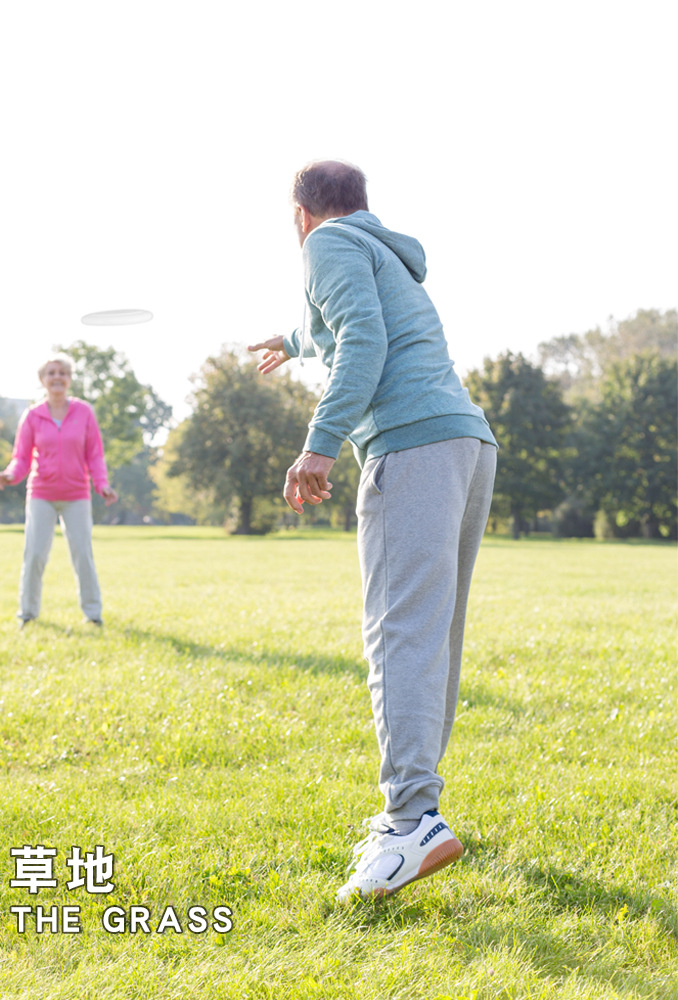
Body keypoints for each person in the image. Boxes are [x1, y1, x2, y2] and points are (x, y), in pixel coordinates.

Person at [249, 160, 497, 903]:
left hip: (410, 444)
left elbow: (361, 337)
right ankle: (418, 814)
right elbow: (346, 320)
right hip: (465, 442)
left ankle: (409, 821)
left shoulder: (324, 247)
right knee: (432, 631)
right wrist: (295, 340)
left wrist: (318, 445)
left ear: (301, 214)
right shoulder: (379, 247)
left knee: (399, 634)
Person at [0, 355, 118, 627]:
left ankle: (93, 615)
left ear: (70, 378)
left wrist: (102, 484)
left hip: (77, 495)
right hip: (41, 494)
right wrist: (10, 474)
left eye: (62, 372)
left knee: (83, 554)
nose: (57, 377)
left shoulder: (84, 412)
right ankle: (27, 613)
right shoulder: (33, 416)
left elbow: (94, 454)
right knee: (35, 553)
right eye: (51, 373)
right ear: (43, 380)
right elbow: (22, 458)